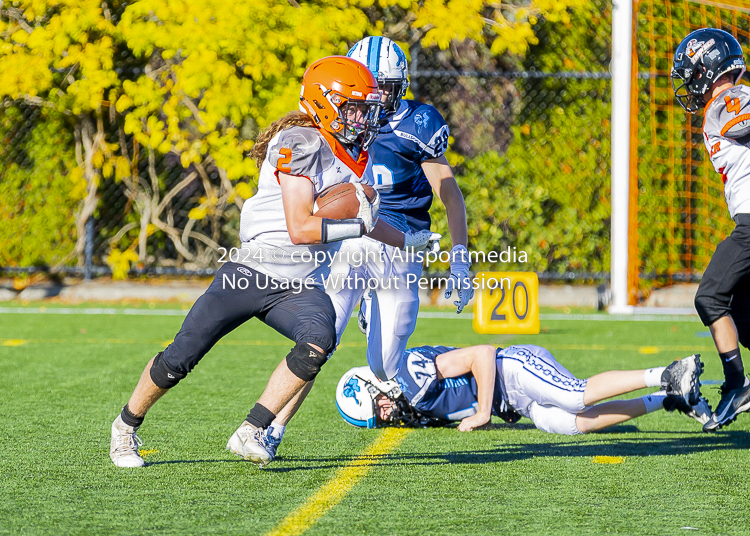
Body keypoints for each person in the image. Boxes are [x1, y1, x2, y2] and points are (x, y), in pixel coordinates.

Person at [109, 56, 385, 468]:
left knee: (319, 341)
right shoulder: (300, 141)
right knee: (181, 357)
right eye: (353, 106)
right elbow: (300, 228)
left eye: (365, 107)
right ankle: (125, 426)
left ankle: (252, 429)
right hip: (252, 272)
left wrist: (410, 240)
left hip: (300, 284)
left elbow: (359, 218)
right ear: (324, 102)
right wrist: (357, 226)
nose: (361, 117)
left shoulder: (350, 150)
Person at [262, 36, 473, 460]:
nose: (372, 101)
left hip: (402, 243)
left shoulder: (418, 124)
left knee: (383, 367)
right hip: (354, 238)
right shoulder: (337, 120)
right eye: (364, 89)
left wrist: (460, 258)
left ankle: (376, 314)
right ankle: (269, 429)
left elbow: (449, 193)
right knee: (319, 341)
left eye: (383, 89)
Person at [336, 344, 710, 434]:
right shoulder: (409, 406)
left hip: (511, 368)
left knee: (573, 394)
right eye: (377, 418)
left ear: (376, 384)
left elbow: (482, 355)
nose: (384, 414)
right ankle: (666, 398)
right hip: (514, 400)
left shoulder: (410, 373)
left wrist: (484, 411)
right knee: (571, 424)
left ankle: (668, 372)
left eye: (378, 405)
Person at [671, 28, 750, 431]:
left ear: (707, 67)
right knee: (740, 307)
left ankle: (737, 384)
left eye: (691, 72)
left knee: (710, 298)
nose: (688, 83)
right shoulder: (726, 103)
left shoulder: (727, 100)